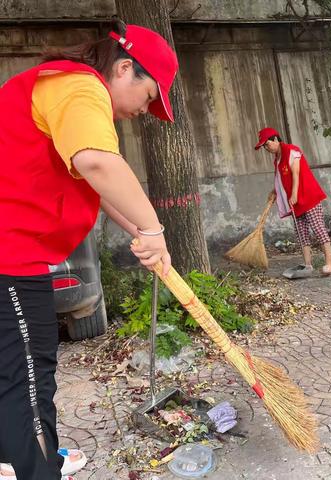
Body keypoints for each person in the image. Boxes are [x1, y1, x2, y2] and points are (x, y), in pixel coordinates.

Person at [0, 20, 177, 480]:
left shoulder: (63, 88)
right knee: (31, 382)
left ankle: (18, 458)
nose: (145, 109)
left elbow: (92, 185)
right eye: (150, 96)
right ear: (124, 69)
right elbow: (96, 162)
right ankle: (36, 469)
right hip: (11, 261)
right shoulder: (78, 87)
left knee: (15, 376)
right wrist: (155, 229)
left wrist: (143, 232)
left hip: (15, 254)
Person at [254, 127, 331, 275]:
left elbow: (295, 173)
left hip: (307, 196)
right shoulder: (277, 159)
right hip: (295, 201)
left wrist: (294, 193)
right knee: (301, 232)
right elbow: (282, 179)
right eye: (264, 146)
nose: (266, 148)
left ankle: (329, 263)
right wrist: (275, 191)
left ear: (276, 139)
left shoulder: (291, 150)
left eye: (267, 144)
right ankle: (308, 265)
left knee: (318, 228)